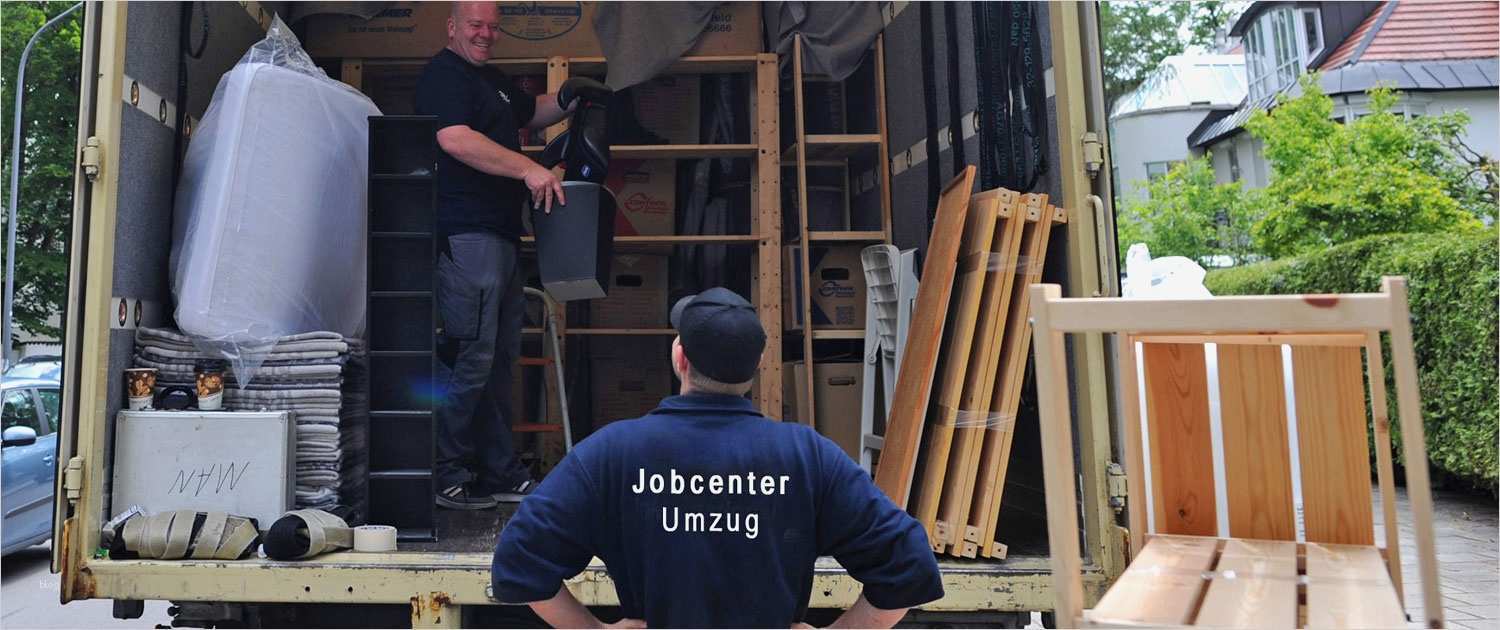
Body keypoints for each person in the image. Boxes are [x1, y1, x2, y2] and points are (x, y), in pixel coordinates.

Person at [491, 288, 944, 628]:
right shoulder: (808, 456)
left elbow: (519, 562)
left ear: (679, 357)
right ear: (760, 362)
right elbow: (907, 565)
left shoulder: (613, 452)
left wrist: (592, 629)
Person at [415, 1, 589, 509]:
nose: (486, 34)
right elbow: (455, 139)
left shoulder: (491, 79)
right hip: (466, 235)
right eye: (475, 25)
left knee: (498, 364)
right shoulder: (443, 77)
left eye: (493, 27)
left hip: (502, 237)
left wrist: (570, 97)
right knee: (469, 360)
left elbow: (532, 113)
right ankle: (446, 474)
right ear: (452, 27)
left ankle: (499, 471)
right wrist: (528, 170)